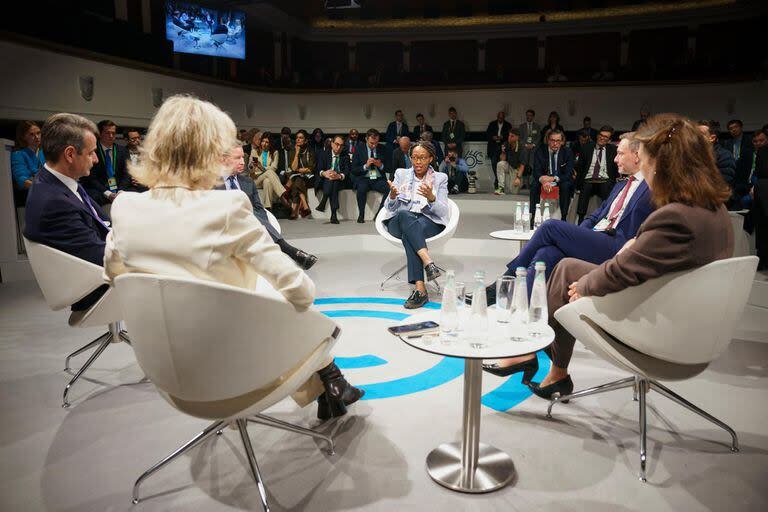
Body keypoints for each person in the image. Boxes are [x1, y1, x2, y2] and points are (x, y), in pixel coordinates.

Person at [103, 95, 363, 420]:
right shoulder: (225, 207)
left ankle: (331, 387)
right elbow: (301, 292)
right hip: (233, 371)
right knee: (281, 299)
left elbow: (114, 277)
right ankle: (332, 380)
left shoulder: (125, 207)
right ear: (209, 154)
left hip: (164, 373)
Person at [527, 114, 734, 399]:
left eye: (645, 160)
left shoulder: (676, 216)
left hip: (664, 324)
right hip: (694, 315)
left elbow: (624, 271)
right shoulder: (712, 208)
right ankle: (549, 366)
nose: (643, 169)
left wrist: (586, 285)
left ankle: (545, 360)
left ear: (663, 165)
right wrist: (639, 242)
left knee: (565, 272)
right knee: (564, 263)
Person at [474, 132, 653, 349]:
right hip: (597, 238)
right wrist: (578, 237)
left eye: (620, 154)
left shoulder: (651, 188)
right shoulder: (621, 185)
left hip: (617, 247)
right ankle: (524, 322)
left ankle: (507, 279)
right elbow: (595, 217)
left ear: (637, 155)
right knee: (545, 255)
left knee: (549, 227)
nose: (615, 159)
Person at [23, 113, 109, 311]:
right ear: (70, 154)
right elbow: (101, 257)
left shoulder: (59, 182)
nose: (96, 159)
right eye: (91, 153)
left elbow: (104, 223)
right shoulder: (52, 202)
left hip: (99, 269)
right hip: (97, 288)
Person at [220, 145, 317, 270]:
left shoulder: (247, 182)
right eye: (237, 158)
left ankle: (277, 255)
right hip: (226, 224)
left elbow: (259, 209)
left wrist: (262, 225)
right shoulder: (210, 183)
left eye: (243, 157)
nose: (243, 162)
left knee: (253, 213)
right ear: (224, 159)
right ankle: (290, 251)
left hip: (250, 224)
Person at [382, 141, 450, 309]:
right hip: (399, 220)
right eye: (414, 158)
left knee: (410, 235)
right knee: (405, 215)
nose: (418, 162)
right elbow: (388, 207)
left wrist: (432, 198)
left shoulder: (440, 178)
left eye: (422, 158)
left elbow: (442, 212)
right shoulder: (401, 174)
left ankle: (420, 290)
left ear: (431, 158)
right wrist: (392, 196)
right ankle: (428, 262)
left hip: (427, 221)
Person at [81, 120, 131, 206]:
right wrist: (108, 193)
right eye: (107, 133)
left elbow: (127, 173)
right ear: (99, 134)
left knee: (138, 192)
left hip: (119, 188)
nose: (111, 136)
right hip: (99, 189)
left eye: (113, 133)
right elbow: (90, 177)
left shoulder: (123, 150)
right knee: (92, 195)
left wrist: (121, 190)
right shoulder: (92, 150)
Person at [575, 125, 618, 223]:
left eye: (606, 137)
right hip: (589, 179)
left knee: (606, 186)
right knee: (585, 187)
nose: (602, 138)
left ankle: (605, 219)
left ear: (609, 140)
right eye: (601, 135)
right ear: (598, 135)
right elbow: (580, 168)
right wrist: (578, 184)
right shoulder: (587, 147)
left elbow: (616, 169)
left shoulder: (613, 150)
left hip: (604, 180)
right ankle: (580, 219)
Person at [530, 129, 575, 225]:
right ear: (548, 140)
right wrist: (543, 180)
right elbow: (536, 171)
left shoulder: (568, 152)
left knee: (566, 185)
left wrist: (553, 178)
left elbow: (568, 173)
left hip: (559, 179)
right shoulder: (540, 151)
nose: (555, 143)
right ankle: (533, 216)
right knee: (534, 185)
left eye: (558, 141)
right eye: (552, 140)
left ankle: (563, 218)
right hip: (544, 178)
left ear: (562, 141)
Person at [351, 128, 389, 223]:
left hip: (378, 179)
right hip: (364, 178)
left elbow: (389, 167)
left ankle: (379, 214)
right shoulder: (359, 149)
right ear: (366, 139)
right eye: (371, 143)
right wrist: (365, 166)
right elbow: (354, 169)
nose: (374, 145)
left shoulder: (383, 149)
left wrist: (381, 165)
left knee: (390, 189)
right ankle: (361, 215)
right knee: (361, 188)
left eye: (376, 143)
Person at [317, 135, 353, 224]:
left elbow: (347, 172)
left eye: (341, 145)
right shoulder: (324, 154)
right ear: (332, 144)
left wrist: (339, 176)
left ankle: (324, 200)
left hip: (340, 181)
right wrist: (324, 173)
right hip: (326, 179)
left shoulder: (345, 156)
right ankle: (334, 215)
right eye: (337, 144)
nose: (339, 147)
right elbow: (318, 168)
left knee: (334, 182)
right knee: (332, 182)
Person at [249, 132, 287, 211]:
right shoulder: (254, 151)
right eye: (263, 141)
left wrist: (261, 167)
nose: (264, 144)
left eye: (267, 142)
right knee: (269, 172)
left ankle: (268, 209)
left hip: (268, 178)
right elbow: (251, 170)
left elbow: (274, 168)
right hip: (256, 180)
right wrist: (251, 166)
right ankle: (282, 194)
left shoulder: (275, 153)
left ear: (270, 143)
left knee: (267, 181)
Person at [697, 120, 736, 193]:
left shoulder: (725, 156)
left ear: (712, 138)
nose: (695, 137)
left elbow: (723, 186)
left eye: (700, 134)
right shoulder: (693, 155)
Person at [11, 121, 45, 201]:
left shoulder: (44, 153)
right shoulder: (18, 155)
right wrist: (45, 187)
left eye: (38, 133)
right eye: (32, 134)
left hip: (48, 194)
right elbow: (22, 180)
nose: (37, 137)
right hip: (29, 197)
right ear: (23, 137)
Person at [288, 129, 315, 219]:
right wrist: (296, 153)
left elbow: (311, 168)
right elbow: (293, 168)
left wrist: (299, 170)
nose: (298, 140)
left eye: (301, 138)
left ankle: (294, 210)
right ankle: (305, 206)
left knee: (296, 181)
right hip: (298, 178)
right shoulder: (293, 151)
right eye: (297, 138)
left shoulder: (310, 150)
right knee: (297, 181)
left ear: (306, 140)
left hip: (309, 178)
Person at [486, 111, 512, 191]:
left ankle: (498, 183)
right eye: (499, 117)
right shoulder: (492, 124)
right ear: (497, 117)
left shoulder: (508, 125)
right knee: (494, 163)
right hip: (493, 146)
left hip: (503, 146)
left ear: (504, 117)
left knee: (500, 164)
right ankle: (497, 180)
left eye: (502, 117)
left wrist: (502, 137)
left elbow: (509, 136)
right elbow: (487, 134)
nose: (500, 118)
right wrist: (493, 137)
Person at [495, 128, 524, 195]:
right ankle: (501, 188)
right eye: (509, 135)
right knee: (500, 164)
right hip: (509, 166)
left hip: (517, 169)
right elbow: (503, 159)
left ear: (517, 137)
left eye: (512, 136)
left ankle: (519, 181)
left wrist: (518, 178)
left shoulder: (521, 147)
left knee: (514, 192)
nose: (509, 137)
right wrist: (503, 152)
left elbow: (522, 165)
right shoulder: (506, 144)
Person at [519, 109, 540, 188]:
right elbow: (520, 138)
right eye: (527, 115)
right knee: (524, 165)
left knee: (532, 165)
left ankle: (532, 182)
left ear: (533, 116)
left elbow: (539, 137)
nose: (528, 117)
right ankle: (524, 183)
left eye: (530, 115)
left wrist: (533, 145)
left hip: (533, 149)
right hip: (524, 149)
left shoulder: (537, 126)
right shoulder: (522, 126)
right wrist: (525, 145)